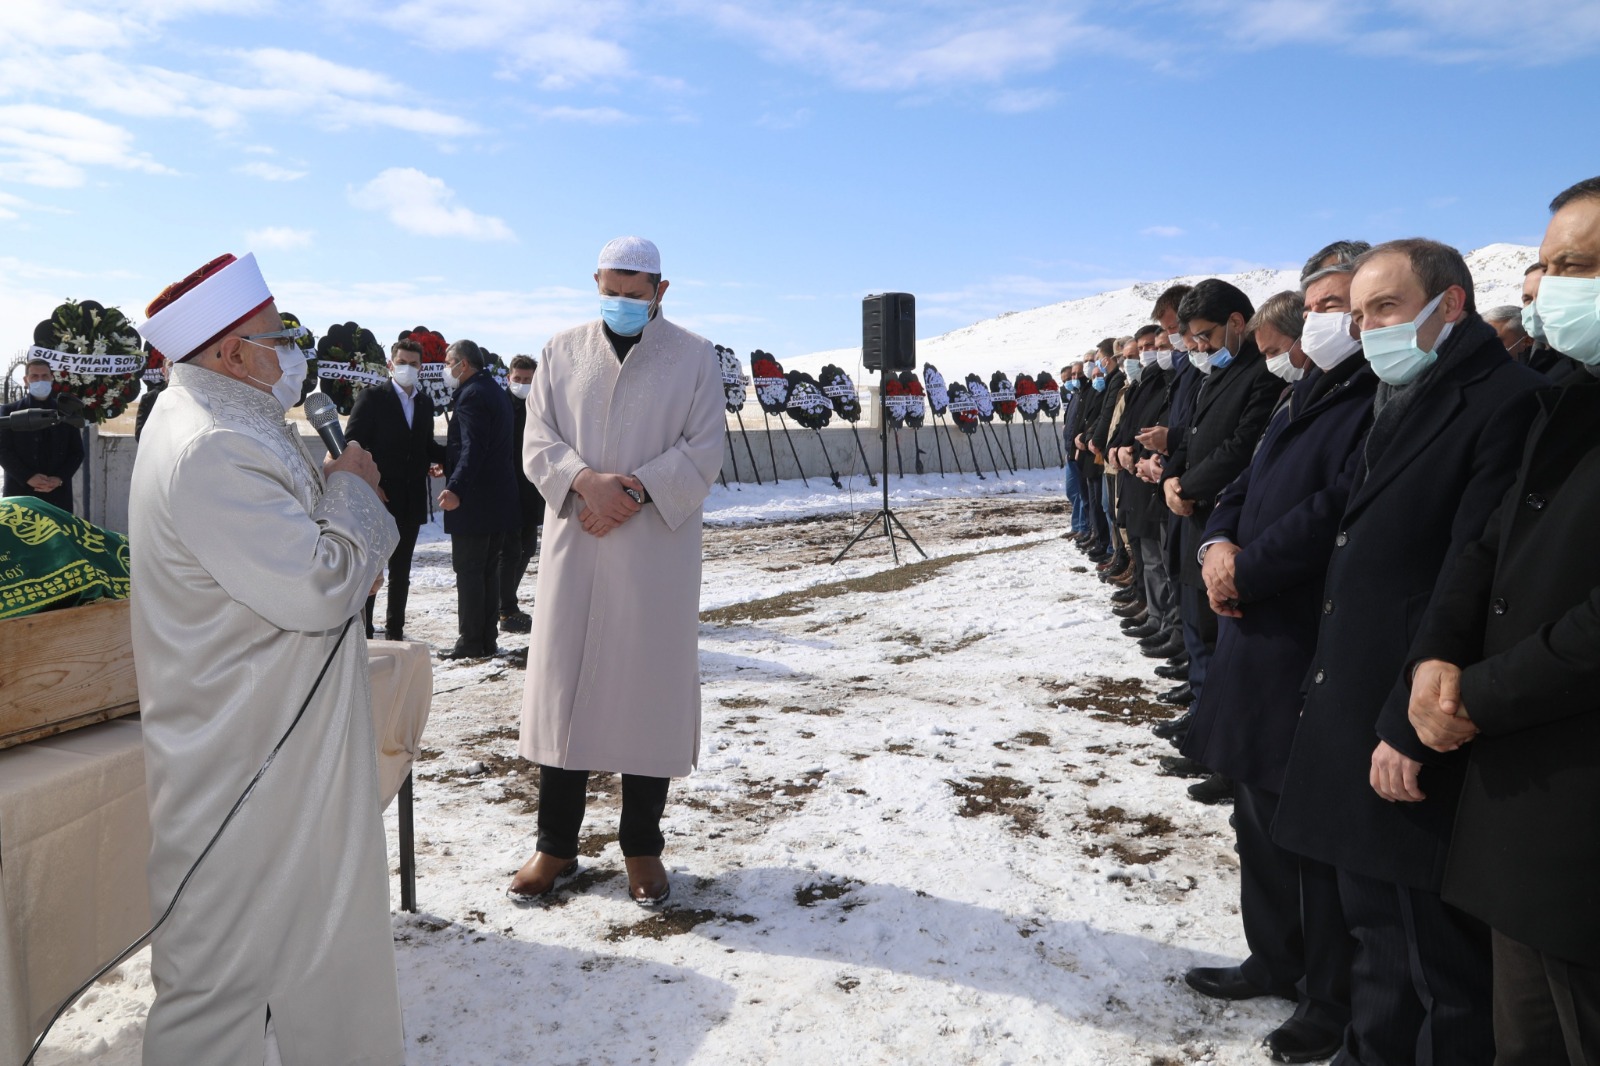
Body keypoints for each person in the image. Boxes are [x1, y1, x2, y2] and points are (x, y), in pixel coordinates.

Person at [1273, 238, 1548, 1066]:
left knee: (1434, 963)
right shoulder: (1409, 392)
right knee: (1377, 936)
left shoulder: (1502, 401)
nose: (1367, 328)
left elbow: (1470, 574)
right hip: (1360, 696)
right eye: (1358, 314)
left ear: (1450, 304)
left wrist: (1406, 721)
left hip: (1412, 717)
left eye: (1384, 308)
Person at [128, 252, 403, 1064]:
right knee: (218, 982)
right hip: (244, 759)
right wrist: (352, 488)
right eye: (275, 334)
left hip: (285, 740)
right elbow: (319, 588)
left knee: (319, 947)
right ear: (225, 352)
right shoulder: (210, 443)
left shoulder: (235, 422)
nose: (291, 348)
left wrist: (332, 489)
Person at [1405, 175, 1600, 1065]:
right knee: (1524, 1036)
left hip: (1573, 803)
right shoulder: (1566, 395)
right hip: (1526, 817)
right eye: (1552, 264)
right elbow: (1488, 544)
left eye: (1582, 267)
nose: (1557, 286)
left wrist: (1477, 694)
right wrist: (1438, 655)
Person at [1176, 255, 1375, 1062]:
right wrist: (1220, 538)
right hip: (1252, 630)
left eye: (1341, 305)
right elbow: (1247, 482)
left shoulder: (1375, 399)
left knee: (1309, 832)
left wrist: (1244, 568)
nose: (1327, 319)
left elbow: (1335, 507)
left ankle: (1329, 995)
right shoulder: (1305, 392)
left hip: (1300, 629)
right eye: (1318, 303)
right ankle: (1275, 954)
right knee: (1256, 815)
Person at [511, 236, 724, 906]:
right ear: (595, 282)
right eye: (613, 290)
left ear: (661, 292)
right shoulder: (561, 351)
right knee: (565, 695)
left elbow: (704, 446)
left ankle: (642, 848)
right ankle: (555, 846)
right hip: (578, 536)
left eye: (637, 294)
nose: (623, 303)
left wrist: (632, 492)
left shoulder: (693, 358)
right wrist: (583, 483)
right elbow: (538, 438)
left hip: (652, 547)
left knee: (646, 696)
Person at [346, 336, 447, 641]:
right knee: (372, 570)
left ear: (421, 367)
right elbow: (353, 444)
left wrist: (454, 456)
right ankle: (362, 633)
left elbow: (425, 445)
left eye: (413, 364)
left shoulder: (425, 402)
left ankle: (396, 632)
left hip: (411, 499)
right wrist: (369, 484)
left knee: (401, 571)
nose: (407, 368)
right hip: (377, 499)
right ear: (391, 364)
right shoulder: (372, 398)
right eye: (401, 363)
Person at [437, 338, 518, 660]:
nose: (446, 369)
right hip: (497, 499)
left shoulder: (472, 396)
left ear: (464, 364)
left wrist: (455, 487)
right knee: (486, 572)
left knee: (470, 572)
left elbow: (474, 447)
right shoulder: (494, 391)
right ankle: (486, 639)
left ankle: (470, 642)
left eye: (448, 362)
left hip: (475, 500)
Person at [495, 354, 545, 634]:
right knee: (510, 550)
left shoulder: (539, 407)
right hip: (506, 487)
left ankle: (506, 602)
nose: (523, 384)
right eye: (518, 379)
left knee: (527, 547)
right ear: (509, 378)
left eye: (528, 380)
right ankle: (505, 608)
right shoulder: (501, 404)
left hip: (531, 489)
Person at [0, 357, 83, 513]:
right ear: (26, 380)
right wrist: (27, 477)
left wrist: (58, 479)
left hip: (57, 496)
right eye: (35, 376)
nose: (40, 380)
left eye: (45, 376)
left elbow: (77, 452)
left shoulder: (65, 412)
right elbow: (3, 451)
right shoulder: (9, 411)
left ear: (51, 378)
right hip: (19, 495)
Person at [134, 357, 169, 441]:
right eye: (171, 365)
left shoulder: (195, 396)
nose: (174, 370)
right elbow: (140, 435)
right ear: (163, 371)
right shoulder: (149, 399)